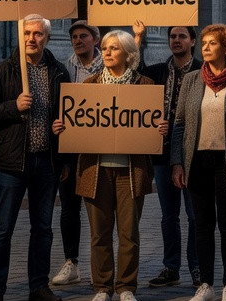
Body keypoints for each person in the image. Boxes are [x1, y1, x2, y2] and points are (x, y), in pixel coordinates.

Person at [52, 29, 162, 301]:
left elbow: (151, 123)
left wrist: (159, 127)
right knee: (99, 233)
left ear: (128, 54)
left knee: (129, 233)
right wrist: (63, 127)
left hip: (131, 172)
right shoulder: (88, 86)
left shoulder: (145, 85)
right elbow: (78, 122)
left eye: (113, 48)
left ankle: (125, 286)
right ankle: (102, 286)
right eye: (106, 48)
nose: (108, 53)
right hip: (95, 170)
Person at [0, 15, 71, 301]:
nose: (32, 38)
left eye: (38, 34)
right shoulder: (2, 71)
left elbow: (69, 117)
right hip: (11, 163)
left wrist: (63, 149)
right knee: (3, 229)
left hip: (47, 162)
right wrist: (13, 107)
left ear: (47, 38)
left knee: (42, 229)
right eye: (27, 33)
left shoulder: (58, 72)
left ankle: (39, 287)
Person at [172, 24, 226, 301]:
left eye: (212, 43)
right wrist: (177, 162)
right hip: (196, 161)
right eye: (205, 43)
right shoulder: (191, 81)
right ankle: (206, 284)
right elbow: (179, 124)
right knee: (202, 224)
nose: (206, 47)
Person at [140, 25, 203, 289]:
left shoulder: (203, 72)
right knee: (169, 215)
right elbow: (135, 74)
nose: (176, 41)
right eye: (172, 37)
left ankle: (198, 268)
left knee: (194, 215)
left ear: (192, 41)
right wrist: (138, 38)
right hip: (163, 153)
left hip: (193, 153)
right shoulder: (158, 71)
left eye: (181, 36)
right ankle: (171, 267)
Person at [50, 20, 102, 288]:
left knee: (99, 210)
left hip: (100, 149)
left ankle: (100, 266)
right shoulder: (63, 69)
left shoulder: (109, 66)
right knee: (69, 208)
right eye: (74, 37)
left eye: (83, 36)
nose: (78, 40)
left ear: (96, 39)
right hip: (70, 149)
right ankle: (71, 262)